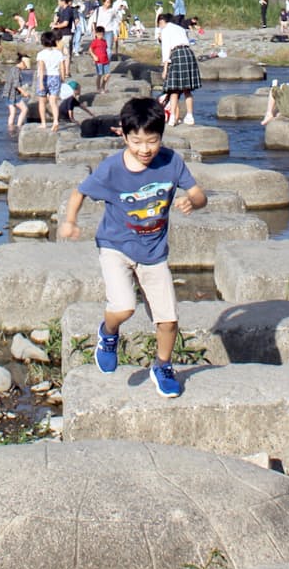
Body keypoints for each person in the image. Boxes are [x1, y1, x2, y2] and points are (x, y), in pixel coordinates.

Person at [59, 97, 207, 399]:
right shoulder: (112, 168)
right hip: (115, 246)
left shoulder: (171, 161)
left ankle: (162, 366)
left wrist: (192, 201)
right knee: (124, 306)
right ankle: (108, 334)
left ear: (161, 137)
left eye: (151, 141)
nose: (145, 149)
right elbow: (79, 192)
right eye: (137, 141)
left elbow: (200, 195)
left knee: (168, 320)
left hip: (153, 252)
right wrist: (69, 221)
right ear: (123, 136)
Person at [157, 11, 202, 126]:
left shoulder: (166, 29)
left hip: (177, 54)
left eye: (159, 24)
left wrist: (165, 69)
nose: (159, 27)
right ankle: (190, 116)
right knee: (187, 89)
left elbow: (166, 50)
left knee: (174, 90)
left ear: (162, 22)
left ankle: (172, 118)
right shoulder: (180, 28)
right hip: (188, 53)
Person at [35, 30, 64, 129]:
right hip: (55, 76)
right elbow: (62, 67)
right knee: (53, 102)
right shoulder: (58, 53)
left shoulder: (41, 54)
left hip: (44, 77)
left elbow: (42, 69)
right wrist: (63, 78)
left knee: (42, 102)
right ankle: (55, 121)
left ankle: (43, 123)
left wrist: (41, 83)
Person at [2, 53, 31, 128]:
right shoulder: (17, 71)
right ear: (22, 62)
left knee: (12, 112)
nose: (26, 67)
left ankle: (10, 127)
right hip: (12, 94)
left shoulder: (13, 69)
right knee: (24, 109)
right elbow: (16, 85)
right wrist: (24, 93)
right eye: (25, 65)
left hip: (7, 94)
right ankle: (19, 126)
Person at [52, 0, 76, 76]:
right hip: (60, 34)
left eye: (59, 1)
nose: (58, 3)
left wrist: (55, 26)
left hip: (66, 34)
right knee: (59, 52)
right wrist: (54, 22)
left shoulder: (68, 10)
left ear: (63, 1)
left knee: (66, 53)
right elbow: (57, 17)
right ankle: (62, 70)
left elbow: (66, 23)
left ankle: (67, 72)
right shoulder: (61, 9)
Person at [89, 23, 111, 92]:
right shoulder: (95, 41)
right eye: (99, 34)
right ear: (96, 34)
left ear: (104, 34)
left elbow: (105, 50)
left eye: (102, 34)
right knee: (100, 75)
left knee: (108, 75)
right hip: (98, 61)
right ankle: (98, 88)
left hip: (106, 60)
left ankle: (103, 86)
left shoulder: (104, 41)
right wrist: (94, 56)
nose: (100, 36)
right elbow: (90, 50)